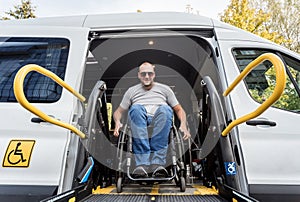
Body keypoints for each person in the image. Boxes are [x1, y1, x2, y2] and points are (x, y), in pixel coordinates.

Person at [113, 62, 191, 178]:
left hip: (160, 119)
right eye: (143, 74)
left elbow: (179, 109)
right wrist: (117, 122)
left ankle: (157, 164)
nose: (147, 76)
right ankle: (142, 164)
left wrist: (183, 125)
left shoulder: (165, 89)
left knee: (165, 109)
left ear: (154, 75)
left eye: (150, 73)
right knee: (135, 108)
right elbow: (118, 112)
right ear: (139, 75)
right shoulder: (131, 91)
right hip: (139, 119)